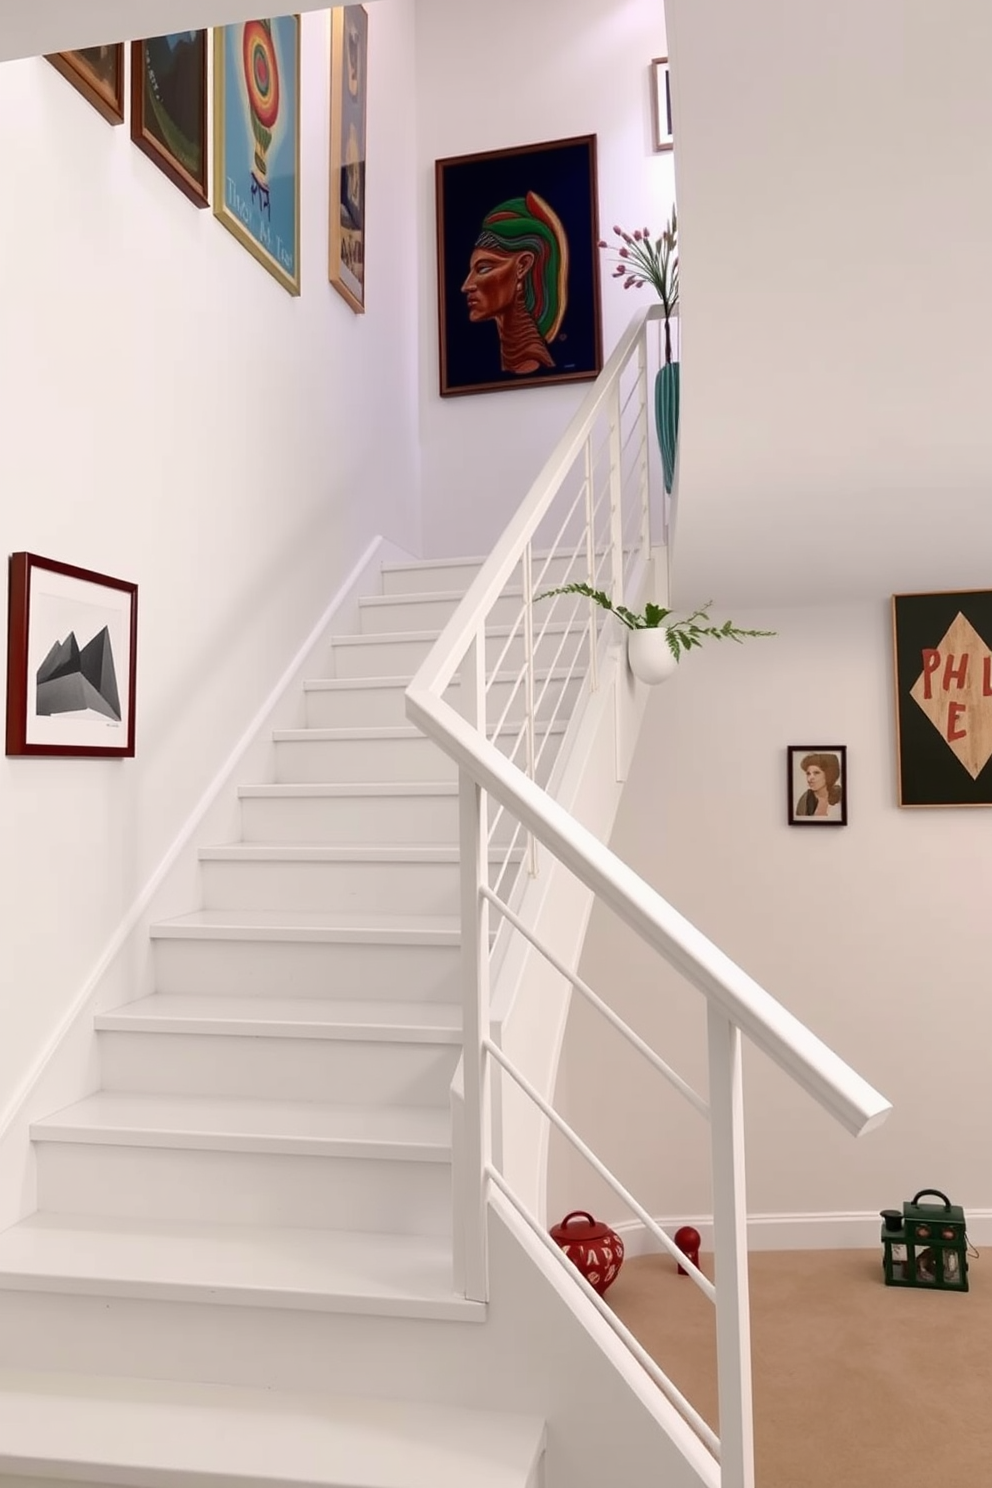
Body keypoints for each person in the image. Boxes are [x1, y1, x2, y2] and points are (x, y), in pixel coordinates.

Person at [461, 191, 568, 375]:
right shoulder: (512, 360)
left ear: (522, 266)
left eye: (484, 268)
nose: (466, 286)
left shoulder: (531, 361)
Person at [795, 752, 843, 820]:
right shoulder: (805, 800)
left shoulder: (841, 797)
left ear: (829, 774)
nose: (810, 778)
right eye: (808, 774)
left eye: (816, 773)